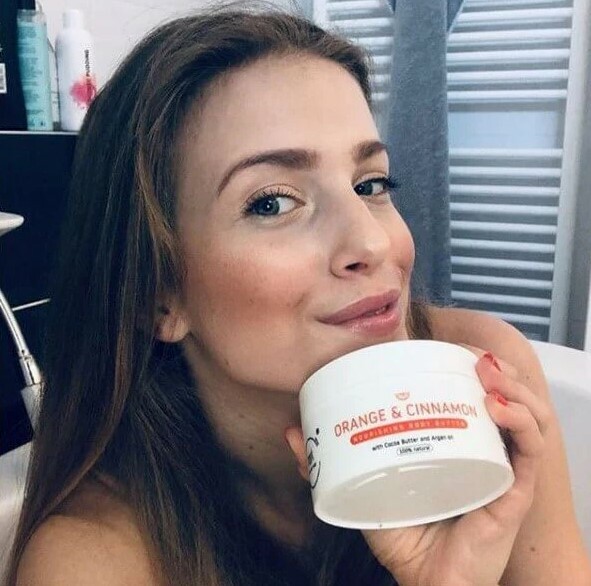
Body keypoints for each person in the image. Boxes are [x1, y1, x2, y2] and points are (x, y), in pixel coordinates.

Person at [5, 2, 591, 585]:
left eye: (371, 184)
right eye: (272, 203)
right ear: (159, 296)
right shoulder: (92, 561)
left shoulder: (487, 376)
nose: (372, 241)